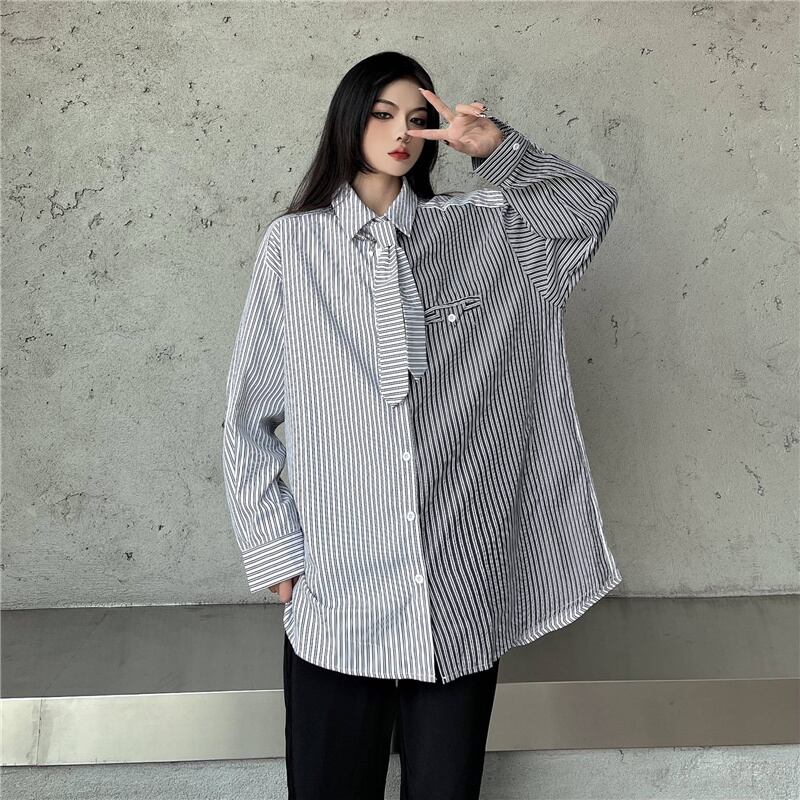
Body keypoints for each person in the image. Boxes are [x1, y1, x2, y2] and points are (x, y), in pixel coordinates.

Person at [223, 51, 622, 800]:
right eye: (382, 114)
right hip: (341, 594)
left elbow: (587, 213)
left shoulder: (481, 232)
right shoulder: (293, 247)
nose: (401, 132)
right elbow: (250, 417)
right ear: (349, 121)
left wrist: (496, 149)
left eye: (416, 118)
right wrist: (276, 552)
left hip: (458, 592)